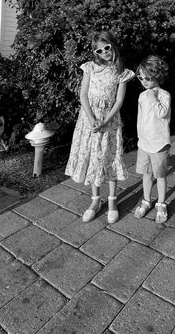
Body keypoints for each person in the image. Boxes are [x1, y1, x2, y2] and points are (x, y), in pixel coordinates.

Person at [65, 31, 134, 224]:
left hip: (110, 121)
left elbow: (119, 100)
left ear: (113, 45)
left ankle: (112, 201)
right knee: (91, 157)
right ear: (95, 52)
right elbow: (83, 95)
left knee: (110, 157)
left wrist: (105, 120)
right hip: (88, 120)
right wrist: (91, 118)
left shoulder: (122, 71)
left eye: (107, 47)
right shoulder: (90, 68)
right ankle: (95, 201)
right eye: (99, 50)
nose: (104, 52)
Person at [134, 55, 171, 223]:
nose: (143, 81)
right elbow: (140, 119)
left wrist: (152, 97)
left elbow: (161, 113)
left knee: (160, 175)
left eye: (147, 77)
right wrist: (140, 136)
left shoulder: (164, 95)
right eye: (140, 77)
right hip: (144, 143)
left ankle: (161, 203)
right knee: (146, 174)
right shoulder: (142, 96)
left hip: (159, 143)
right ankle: (147, 200)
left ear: (157, 75)